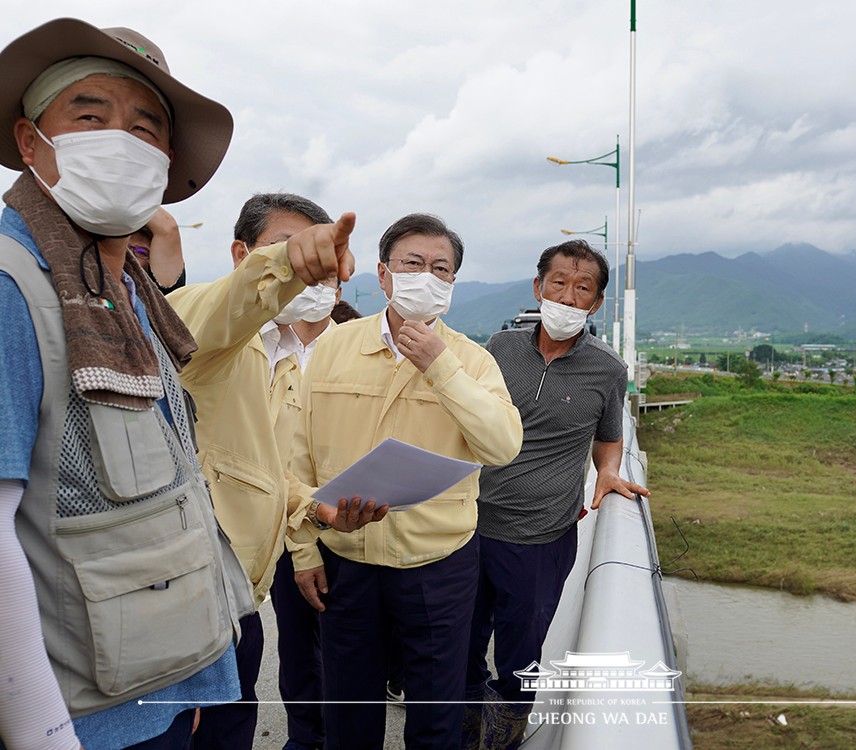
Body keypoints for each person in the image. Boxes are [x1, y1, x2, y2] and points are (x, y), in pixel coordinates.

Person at [0, 18, 254, 749]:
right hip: (80, 720)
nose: (121, 139)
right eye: (89, 114)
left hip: (159, 688)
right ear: (29, 141)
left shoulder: (128, 291)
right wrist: (41, 734)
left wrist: (189, 684)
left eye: (147, 127)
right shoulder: (15, 287)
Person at [289, 212, 523, 750]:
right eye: (412, 263)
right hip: (346, 556)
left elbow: (502, 446)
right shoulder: (333, 346)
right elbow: (297, 454)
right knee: (348, 709)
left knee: (436, 713)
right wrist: (303, 549)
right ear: (383, 273)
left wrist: (441, 368)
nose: (427, 276)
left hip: (439, 562)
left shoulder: (472, 360)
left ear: (453, 284)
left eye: (441, 269)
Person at [167, 192, 385, 750]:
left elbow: (253, 464)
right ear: (241, 253)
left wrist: (313, 505)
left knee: (236, 724)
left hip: (239, 595)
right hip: (183, 592)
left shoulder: (313, 349)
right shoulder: (205, 327)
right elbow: (224, 306)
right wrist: (288, 262)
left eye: (319, 259)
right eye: (287, 249)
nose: (309, 271)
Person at [464, 239, 649, 749]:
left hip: (540, 538)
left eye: (582, 288)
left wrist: (608, 471)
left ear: (596, 303)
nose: (567, 297)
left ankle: (502, 739)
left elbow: (609, 435)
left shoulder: (607, 370)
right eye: (559, 283)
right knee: (460, 641)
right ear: (538, 287)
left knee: (520, 654)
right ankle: (460, 733)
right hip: (469, 526)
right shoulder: (499, 349)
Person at [128, 206, 186, 295]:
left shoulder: (157, 291)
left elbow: (167, 228)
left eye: (141, 252)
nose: (128, 254)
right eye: (123, 246)